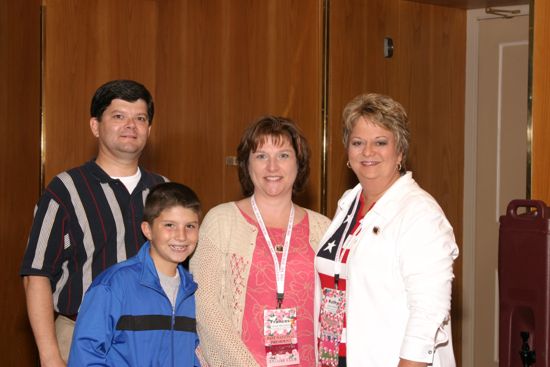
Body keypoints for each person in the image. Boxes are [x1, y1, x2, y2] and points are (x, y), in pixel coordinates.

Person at [20, 79, 167, 366]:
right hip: (81, 336)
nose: (131, 125)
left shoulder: (165, 191)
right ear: (95, 126)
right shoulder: (64, 190)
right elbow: (36, 275)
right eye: (118, 116)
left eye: (140, 118)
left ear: (149, 129)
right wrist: (50, 356)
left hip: (153, 339)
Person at [315, 93, 459, 367]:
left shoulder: (420, 214)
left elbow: (428, 315)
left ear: (400, 152)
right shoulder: (349, 202)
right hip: (337, 357)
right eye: (358, 143)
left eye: (380, 142)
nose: (368, 152)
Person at [190, 116, 330, 366]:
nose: (272, 167)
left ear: (300, 163)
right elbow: (205, 306)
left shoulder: (324, 228)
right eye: (261, 156)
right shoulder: (221, 221)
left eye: (284, 155)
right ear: (247, 164)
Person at [68, 182, 201, 366]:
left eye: (190, 226)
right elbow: (85, 356)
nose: (181, 236)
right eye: (169, 225)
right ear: (147, 230)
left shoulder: (193, 290)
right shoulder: (114, 285)